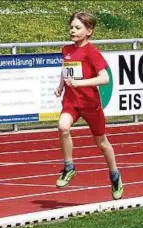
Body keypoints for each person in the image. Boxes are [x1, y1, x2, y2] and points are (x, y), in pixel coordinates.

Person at [54, 11, 123, 200]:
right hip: (71, 102)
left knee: (102, 143)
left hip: (90, 104)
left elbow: (105, 78)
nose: (73, 31)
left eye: (78, 28)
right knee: (62, 127)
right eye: (71, 27)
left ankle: (115, 175)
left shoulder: (92, 52)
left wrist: (81, 83)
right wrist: (60, 86)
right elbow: (65, 71)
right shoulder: (66, 50)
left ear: (89, 31)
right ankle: (69, 167)